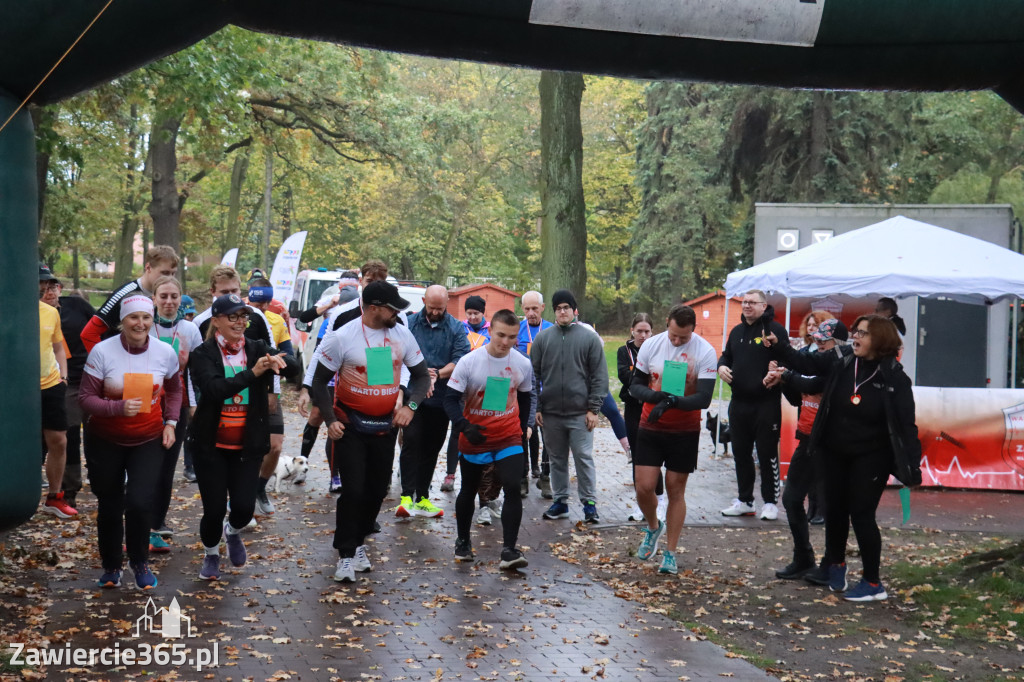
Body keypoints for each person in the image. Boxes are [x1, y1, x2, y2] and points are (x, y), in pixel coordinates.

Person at [764, 314, 921, 601]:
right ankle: (835, 565)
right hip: (833, 450)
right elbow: (806, 363)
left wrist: (912, 466)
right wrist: (779, 346)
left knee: (861, 514)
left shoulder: (895, 377)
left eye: (863, 333)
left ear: (881, 340)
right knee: (834, 508)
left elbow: (907, 425)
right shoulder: (843, 359)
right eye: (856, 332)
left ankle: (873, 583)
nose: (856, 337)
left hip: (872, 456)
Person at [309, 281, 430, 583]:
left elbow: (421, 376)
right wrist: (329, 420)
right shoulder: (342, 337)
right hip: (350, 424)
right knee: (353, 490)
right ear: (373, 308)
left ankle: (360, 540)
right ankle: (346, 555)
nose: (398, 313)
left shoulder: (401, 333)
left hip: (385, 425)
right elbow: (319, 382)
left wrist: (410, 407)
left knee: (377, 490)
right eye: (393, 308)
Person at [187, 294, 299, 581]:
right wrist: (254, 372)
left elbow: (293, 368)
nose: (240, 322)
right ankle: (212, 554)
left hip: (247, 444)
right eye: (232, 317)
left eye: (243, 316)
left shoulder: (256, 347)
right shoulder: (203, 354)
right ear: (216, 321)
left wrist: (281, 361)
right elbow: (214, 390)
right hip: (210, 444)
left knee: (243, 508)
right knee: (213, 511)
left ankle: (233, 532)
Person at [79, 294, 182, 589]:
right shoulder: (102, 351)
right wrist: (116, 408)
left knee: (139, 503)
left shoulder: (165, 353)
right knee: (110, 505)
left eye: (146, 317)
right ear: (122, 321)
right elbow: (85, 399)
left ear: (153, 320)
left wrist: (171, 423)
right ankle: (111, 566)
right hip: (105, 439)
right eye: (133, 318)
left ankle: (139, 562)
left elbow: (175, 390)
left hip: (147, 438)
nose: (140, 323)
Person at [628, 305, 717, 575]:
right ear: (667, 323)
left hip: (684, 431)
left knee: (675, 490)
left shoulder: (706, 352)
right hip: (651, 426)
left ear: (693, 330)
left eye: (684, 337)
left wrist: (672, 401)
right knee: (644, 486)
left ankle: (670, 552)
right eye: (674, 335)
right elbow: (635, 386)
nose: (677, 341)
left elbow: (703, 398)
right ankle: (654, 527)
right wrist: (657, 398)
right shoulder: (651, 346)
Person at [444, 309, 535, 568]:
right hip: (475, 435)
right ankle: (462, 541)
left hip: (508, 436)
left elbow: (527, 396)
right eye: (501, 335)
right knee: (469, 489)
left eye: (512, 337)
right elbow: (450, 400)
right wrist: (463, 425)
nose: (505, 342)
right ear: (490, 332)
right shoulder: (470, 362)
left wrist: (522, 427)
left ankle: (509, 550)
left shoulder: (522, 363)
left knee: (512, 487)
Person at [764, 318, 847, 580]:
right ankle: (803, 557)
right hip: (807, 439)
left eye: (825, 340)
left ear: (839, 343)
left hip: (830, 443)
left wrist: (787, 374)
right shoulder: (816, 359)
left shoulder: (840, 362)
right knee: (791, 499)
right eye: (817, 340)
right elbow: (796, 397)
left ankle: (832, 564)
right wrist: (782, 379)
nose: (819, 344)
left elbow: (813, 384)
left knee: (831, 505)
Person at [297, 261, 390, 492]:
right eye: (370, 281)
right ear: (361, 283)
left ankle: (374, 483)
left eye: (380, 282)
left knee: (375, 435)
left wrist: (400, 391)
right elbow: (321, 352)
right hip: (340, 379)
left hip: (377, 379)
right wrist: (307, 386)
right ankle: (335, 475)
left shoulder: (395, 315)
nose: (374, 287)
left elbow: (402, 354)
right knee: (335, 424)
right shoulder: (341, 313)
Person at [531, 289, 608, 523]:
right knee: (556, 458)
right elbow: (533, 376)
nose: (562, 312)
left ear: (574, 310)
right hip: (551, 414)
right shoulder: (543, 339)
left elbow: (599, 376)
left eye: (566, 307)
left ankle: (590, 504)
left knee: (583, 457)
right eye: (558, 308)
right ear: (554, 311)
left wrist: (594, 409)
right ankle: (560, 501)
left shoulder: (589, 338)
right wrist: (537, 408)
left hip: (580, 413)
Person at [396, 285, 470, 518]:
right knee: (411, 442)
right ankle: (407, 497)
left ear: (447, 303)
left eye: (440, 308)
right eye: (431, 307)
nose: (436, 312)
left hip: (441, 397)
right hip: (413, 394)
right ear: (423, 301)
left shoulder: (457, 328)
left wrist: (436, 374)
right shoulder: (408, 324)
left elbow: (460, 360)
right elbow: (399, 354)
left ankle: (423, 497)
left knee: (432, 447)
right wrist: (420, 375)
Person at [717, 289, 788, 520]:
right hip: (739, 403)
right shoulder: (737, 331)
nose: (747, 306)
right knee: (741, 453)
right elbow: (727, 356)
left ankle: (770, 502)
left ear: (764, 306)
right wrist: (721, 367)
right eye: (744, 302)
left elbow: (786, 359)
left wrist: (777, 373)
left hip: (765, 403)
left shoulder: (774, 330)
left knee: (767, 454)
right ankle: (745, 500)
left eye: (752, 302)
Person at [147, 275, 203, 554]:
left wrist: (193, 405)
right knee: (145, 463)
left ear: (181, 298)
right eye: (163, 297)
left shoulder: (190, 330)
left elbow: (193, 372)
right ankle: (139, 521)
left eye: (174, 297)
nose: (169, 302)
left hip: (177, 404)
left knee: (168, 465)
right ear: (154, 299)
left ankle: (157, 524)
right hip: (145, 404)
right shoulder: (144, 324)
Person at [247, 277, 294, 515]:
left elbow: (287, 355)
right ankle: (241, 496)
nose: (263, 306)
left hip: (269, 389)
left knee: (275, 447)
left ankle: (259, 487)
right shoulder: (239, 318)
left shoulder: (275, 321)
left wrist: (274, 390)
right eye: (259, 301)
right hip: (242, 391)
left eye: (267, 301)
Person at [80, 245, 178, 352]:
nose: (169, 279)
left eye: (173, 274)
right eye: (165, 273)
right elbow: (89, 334)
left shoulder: (170, 297)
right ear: (148, 267)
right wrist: (105, 363)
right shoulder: (124, 295)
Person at [617, 312, 666, 523]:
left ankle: (661, 503)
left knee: (653, 456)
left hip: (654, 409)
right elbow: (626, 377)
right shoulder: (623, 351)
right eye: (639, 331)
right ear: (632, 331)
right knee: (637, 457)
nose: (643, 335)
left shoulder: (660, 349)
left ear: (652, 332)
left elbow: (663, 377)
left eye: (647, 331)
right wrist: (647, 378)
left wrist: (643, 379)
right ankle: (642, 505)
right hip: (633, 409)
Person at [53, 281, 97, 509]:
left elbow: (103, 328)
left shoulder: (78, 307)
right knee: (68, 435)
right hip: (65, 382)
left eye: (53, 287)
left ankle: (100, 482)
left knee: (97, 434)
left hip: (90, 378)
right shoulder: (41, 315)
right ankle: (69, 489)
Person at [38, 264, 75, 518]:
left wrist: (63, 376)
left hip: (50, 385)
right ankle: (19, 498)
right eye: (41, 282)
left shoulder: (51, 313)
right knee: (23, 443)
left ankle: (55, 497)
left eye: (49, 283)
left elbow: (59, 347)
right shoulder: (10, 308)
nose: (45, 287)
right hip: (18, 389)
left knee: (59, 441)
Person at [516, 290, 553, 489]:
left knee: (547, 434)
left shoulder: (551, 330)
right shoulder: (517, 330)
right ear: (522, 309)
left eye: (535, 309)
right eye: (527, 309)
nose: (531, 313)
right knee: (524, 432)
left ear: (543, 308)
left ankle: (545, 475)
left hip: (546, 390)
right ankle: (523, 476)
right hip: (524, 390)